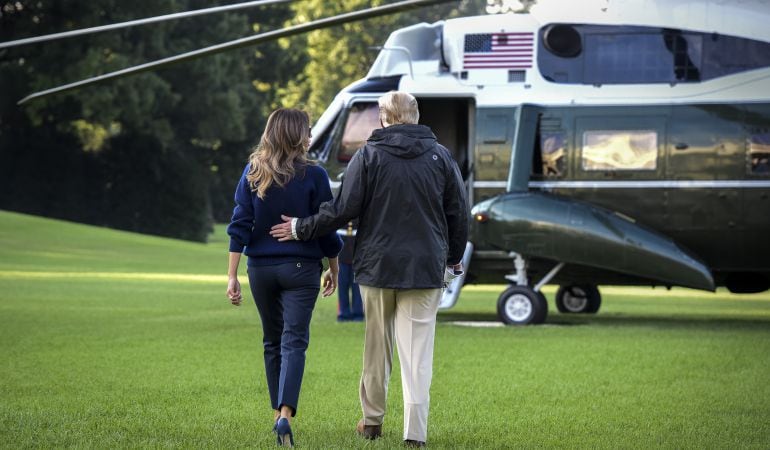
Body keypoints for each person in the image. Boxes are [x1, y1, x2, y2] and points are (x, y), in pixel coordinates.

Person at [270, 91, 469, 447]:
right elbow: (458, 213)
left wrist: (302, 227)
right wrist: (453, 258)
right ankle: (415, 434)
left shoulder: (368, 156)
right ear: (415, 116)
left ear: (385, 117)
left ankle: (373, 422)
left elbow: (343, 209)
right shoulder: (441, 157)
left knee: (377, 347)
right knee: (418, 353)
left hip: (376, 267)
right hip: (426, 267)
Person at [225, 108, 342, 448]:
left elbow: (239, 225)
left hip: (259, 270)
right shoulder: (315, 176)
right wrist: (334, 270)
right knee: (294, 341)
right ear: (294, 135)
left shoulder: (253, 171)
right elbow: (326, 228)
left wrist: (231, 276)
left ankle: (276, 414)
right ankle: (284, 416)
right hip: (301, 270)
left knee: (271, 341)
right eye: (307, 130)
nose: (310, 136)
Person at [337, 220, 364, 321]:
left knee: (357, 288)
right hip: (342, 260)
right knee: (342, 287)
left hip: (357, 260)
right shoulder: (340, 222)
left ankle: (358, 313)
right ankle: (344, 313)